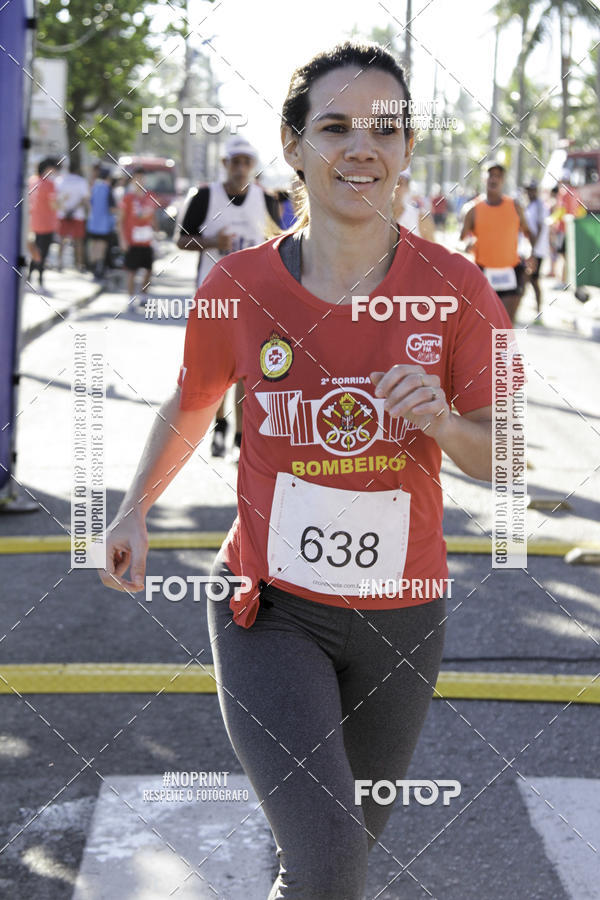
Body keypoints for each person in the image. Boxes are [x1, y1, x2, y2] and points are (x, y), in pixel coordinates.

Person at [100, 41, 511, 899]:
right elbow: (192, 403)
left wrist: (438, 416)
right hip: (270, 611)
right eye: (335, 127)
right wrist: (134, 508)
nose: (363, 147)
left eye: (386, 129)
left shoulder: (458, 287)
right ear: (293, 147)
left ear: (406, 150)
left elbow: (498, 452)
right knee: (327, 863)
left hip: (404, 619)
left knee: (340, 859)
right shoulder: (238, 286)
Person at [177, 136, 282, 459]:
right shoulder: (205, 196)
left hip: (254, 297)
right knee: (216, 369)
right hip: (213, 297)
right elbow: (181, 240)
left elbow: (279, 241)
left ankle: (240, 435)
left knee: (248, 367)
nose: (240, 168)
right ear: (225, 165)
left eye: (246, 162)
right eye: (234, 162)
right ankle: (219, 424)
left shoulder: (265, 200)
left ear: (253, 167)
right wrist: (210, 240)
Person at [460, 160, 532, 323]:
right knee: (483, 323)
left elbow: (528, 233)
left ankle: (503, 349)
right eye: (490, 175)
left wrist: (531, 254)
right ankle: (486, 349)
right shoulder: (472, 209)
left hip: (510, 271)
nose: (494, 179)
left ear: (503, 180)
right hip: (483, 272)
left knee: (506, 323)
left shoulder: (515, 206)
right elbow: (459, 241)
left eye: (498, 176)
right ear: (483, 178)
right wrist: (465, 245)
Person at [118, 167, 156, 308]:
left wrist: (156, 233)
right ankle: (130, 297)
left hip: (146, 239)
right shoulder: (128, 198)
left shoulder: (150, 196)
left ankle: (143, 295)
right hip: (132, 239)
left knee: (148, 269)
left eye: (142, 178)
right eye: (137, 178)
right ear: (133, 180)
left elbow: (153, 217)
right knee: (131, 270)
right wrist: (122, 239)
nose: (140, 181)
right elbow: (120, 220)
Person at [27, 157, 58, 290]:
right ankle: (39, 281)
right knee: (43, 253)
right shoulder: (49, 185)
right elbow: (54, 206)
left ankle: (28, 278)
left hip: (33, 222)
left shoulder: (32, 181)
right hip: (46, 223)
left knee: (34, 251)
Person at [551, 169, 586, 288]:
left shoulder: (564, 193)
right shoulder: (575, 192)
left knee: (563, 256)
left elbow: (560, 211)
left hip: (563, 229)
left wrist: (551, 221)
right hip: (572, 229)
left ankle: (562, 282)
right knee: (568, 256)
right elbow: (582, 211)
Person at [55, 162, 90, 272]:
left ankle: (59, 263)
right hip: (77, 214)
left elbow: (56, 197)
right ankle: (80, 265)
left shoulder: (60, 180)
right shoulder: (81, 181)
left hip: (63, 213)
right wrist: (74, 209)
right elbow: (84, 199)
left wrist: (66, 209)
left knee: (62, 239)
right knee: (78, 240)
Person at [523, 179, 549, 320]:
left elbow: (539, 227)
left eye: (531, 190)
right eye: (528, 190)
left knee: (532, 279)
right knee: (530, 280)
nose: (529, 192)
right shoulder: (530, 205)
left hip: (537, 250)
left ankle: (538, 312)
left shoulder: (539, 206)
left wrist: (533, 249)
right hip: (530, 249)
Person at [87, 165, 117, 281]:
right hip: (104, 224)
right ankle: (98, 270)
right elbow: (111, 208)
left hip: (93, 223)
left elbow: (90, 203)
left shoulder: (94, 187)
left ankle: (93, 268)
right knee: (101, 247)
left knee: (94, 246)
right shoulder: (107, 188)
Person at [392, 167, 435, 240]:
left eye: (399, 183)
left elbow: (432, 250)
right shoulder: (370, 219)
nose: (394, 188)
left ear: (407, 187)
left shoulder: (421, 220)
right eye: (390, 183)